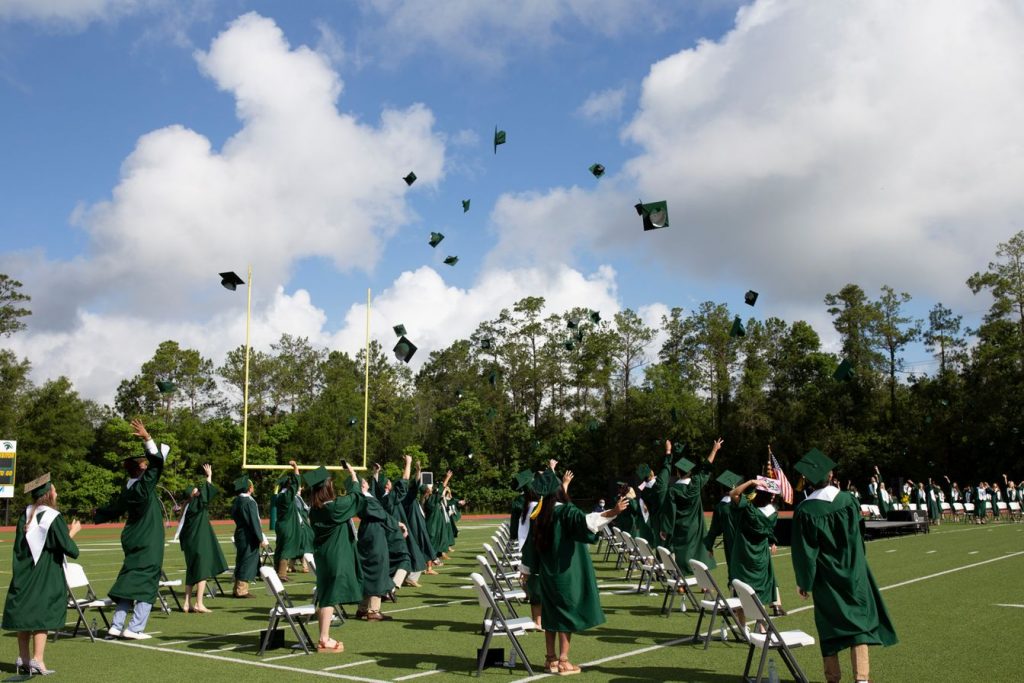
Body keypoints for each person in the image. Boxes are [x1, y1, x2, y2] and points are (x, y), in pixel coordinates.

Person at [791, 448, 897, 683]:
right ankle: (861, 678)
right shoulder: (848, 500)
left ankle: (833, 678)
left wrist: (804, 582)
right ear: (830, 475)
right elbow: (859, 535)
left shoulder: (806, 511)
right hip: (854, 572)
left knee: (829, 625)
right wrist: (856, 560)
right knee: (858, 624)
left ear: (808, 480)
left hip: (825, 577)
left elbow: (805, 552)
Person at [520, 466, 628, 675]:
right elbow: (587, 521)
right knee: (566, 616)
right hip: (566, 574)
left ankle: (549, 659)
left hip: (547, 575)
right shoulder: (565, 512)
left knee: (550, 616)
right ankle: (563, 661)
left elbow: (530, 548)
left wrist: (525, 569)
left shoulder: (539, 514)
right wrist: (613, 512)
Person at [93, 419, 168, 639]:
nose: (147, 465)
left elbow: (112, 509)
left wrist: (97, 514)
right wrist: (147, 439)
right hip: (148, 541)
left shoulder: (127, 490)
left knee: (128, 580)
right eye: (144, 464)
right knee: (147, 582)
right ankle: (135, 628)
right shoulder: (143, 487)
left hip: (133, 539)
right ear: (141, 469)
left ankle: (116, 625)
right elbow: (157, 465)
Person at [3, 473, 82, 675]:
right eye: (54, 490)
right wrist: (72, 532)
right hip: (45, 573)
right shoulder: (53, 517)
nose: (56, 492)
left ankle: (24, 658)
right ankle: (38, 659)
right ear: (48, 494)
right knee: (41, 614)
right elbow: (70, 549)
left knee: (25, 613)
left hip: (25, 572)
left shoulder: (25, 514)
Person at [305, 462, 367, 653]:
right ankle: (324, 639)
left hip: (324, 556)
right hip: (335, 556)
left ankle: (324, 636)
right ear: (326, 487)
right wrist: (354, 477)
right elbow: (356, 498)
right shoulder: (333, 508)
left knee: (326, 596)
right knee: (330, 596)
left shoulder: (315, 509)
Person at [654, 438, 723, 574]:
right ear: (690, 472)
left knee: (681, 552)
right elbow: (706, 468)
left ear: (678, 473)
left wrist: (665, 529)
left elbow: (670, 512)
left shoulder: (672, 490)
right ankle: (705, 585)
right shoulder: (695, 485)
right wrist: (714, 450)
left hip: (680, 527)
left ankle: (681, 581)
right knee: (699, 552)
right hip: (696, 526)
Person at [729, 477, 784, 619]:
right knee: (759, 588)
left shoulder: (747, 509)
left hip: (742, 554)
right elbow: (770, 532)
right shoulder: (773, 514)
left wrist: (751, 482)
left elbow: (733, 494)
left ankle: (742, 627)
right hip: (760, 555)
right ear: (771, 497)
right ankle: (761, 626)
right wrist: (772, 541)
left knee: (741, 590)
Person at [177, 463, 228, 612]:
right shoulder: (197, 506)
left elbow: (205, 493)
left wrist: (207, 479)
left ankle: (187, 603)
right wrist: (209, 476)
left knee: (191, 570)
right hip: (199, 541)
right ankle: (199, 603)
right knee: (202, 571)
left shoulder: (186, 508)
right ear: (192, 494)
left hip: (189, 544)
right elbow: (208, 494)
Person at [354, 474, 396, 620]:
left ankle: (362, 608)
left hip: (368, 533)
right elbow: (382, 514)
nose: (367, 482)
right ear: (362, 485)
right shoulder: (366, 499)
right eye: (365, 482)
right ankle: (373, 610)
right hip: (374, 535)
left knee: (367, 570)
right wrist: (396, 525)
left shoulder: (362, 497)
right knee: (377, 569)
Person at [369, 461, 411, 601]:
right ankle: (391, 588)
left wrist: (375, 473)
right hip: (393, 534)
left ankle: (383, 588)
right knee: (405, 560)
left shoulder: (376, 500)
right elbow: (404, 482)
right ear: (387, 486)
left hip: (381, 534)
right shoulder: (390, 498)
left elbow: (373, 488)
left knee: (387, 562)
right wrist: (408, 463)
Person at [231, 474, 268, 598]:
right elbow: (254, 522)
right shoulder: (249, 502)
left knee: (240, 560)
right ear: (249, 488)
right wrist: (260, 538)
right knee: (247, 561)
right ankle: (242, 590)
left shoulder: (237, 500)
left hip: (240, 533)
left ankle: (236, 588)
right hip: (248, 535)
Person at [401, 459, 436, 586]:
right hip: (414, 530)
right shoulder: (407, 499)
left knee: (413, 554)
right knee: (418, 554)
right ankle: (411, 577)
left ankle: (407, 577)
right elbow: (413, 484)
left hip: (414, 528)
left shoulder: (409, 500)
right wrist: (417, 470)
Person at [704, 470, 742, 577]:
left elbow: (714, 530)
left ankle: (734, 590)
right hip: (746, 543)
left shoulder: (720, 508)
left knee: (733, 570)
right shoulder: (744, 505)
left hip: (730, 543)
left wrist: (709, 546)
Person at [273, 461, 303, 582]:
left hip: (281, 525)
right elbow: (297, 483)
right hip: (287, 526)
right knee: (285, 549)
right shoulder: (286, 496)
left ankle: (276, 570)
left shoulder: (279, 496)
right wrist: (296, 467)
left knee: (280, 548)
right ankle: (281, 573)